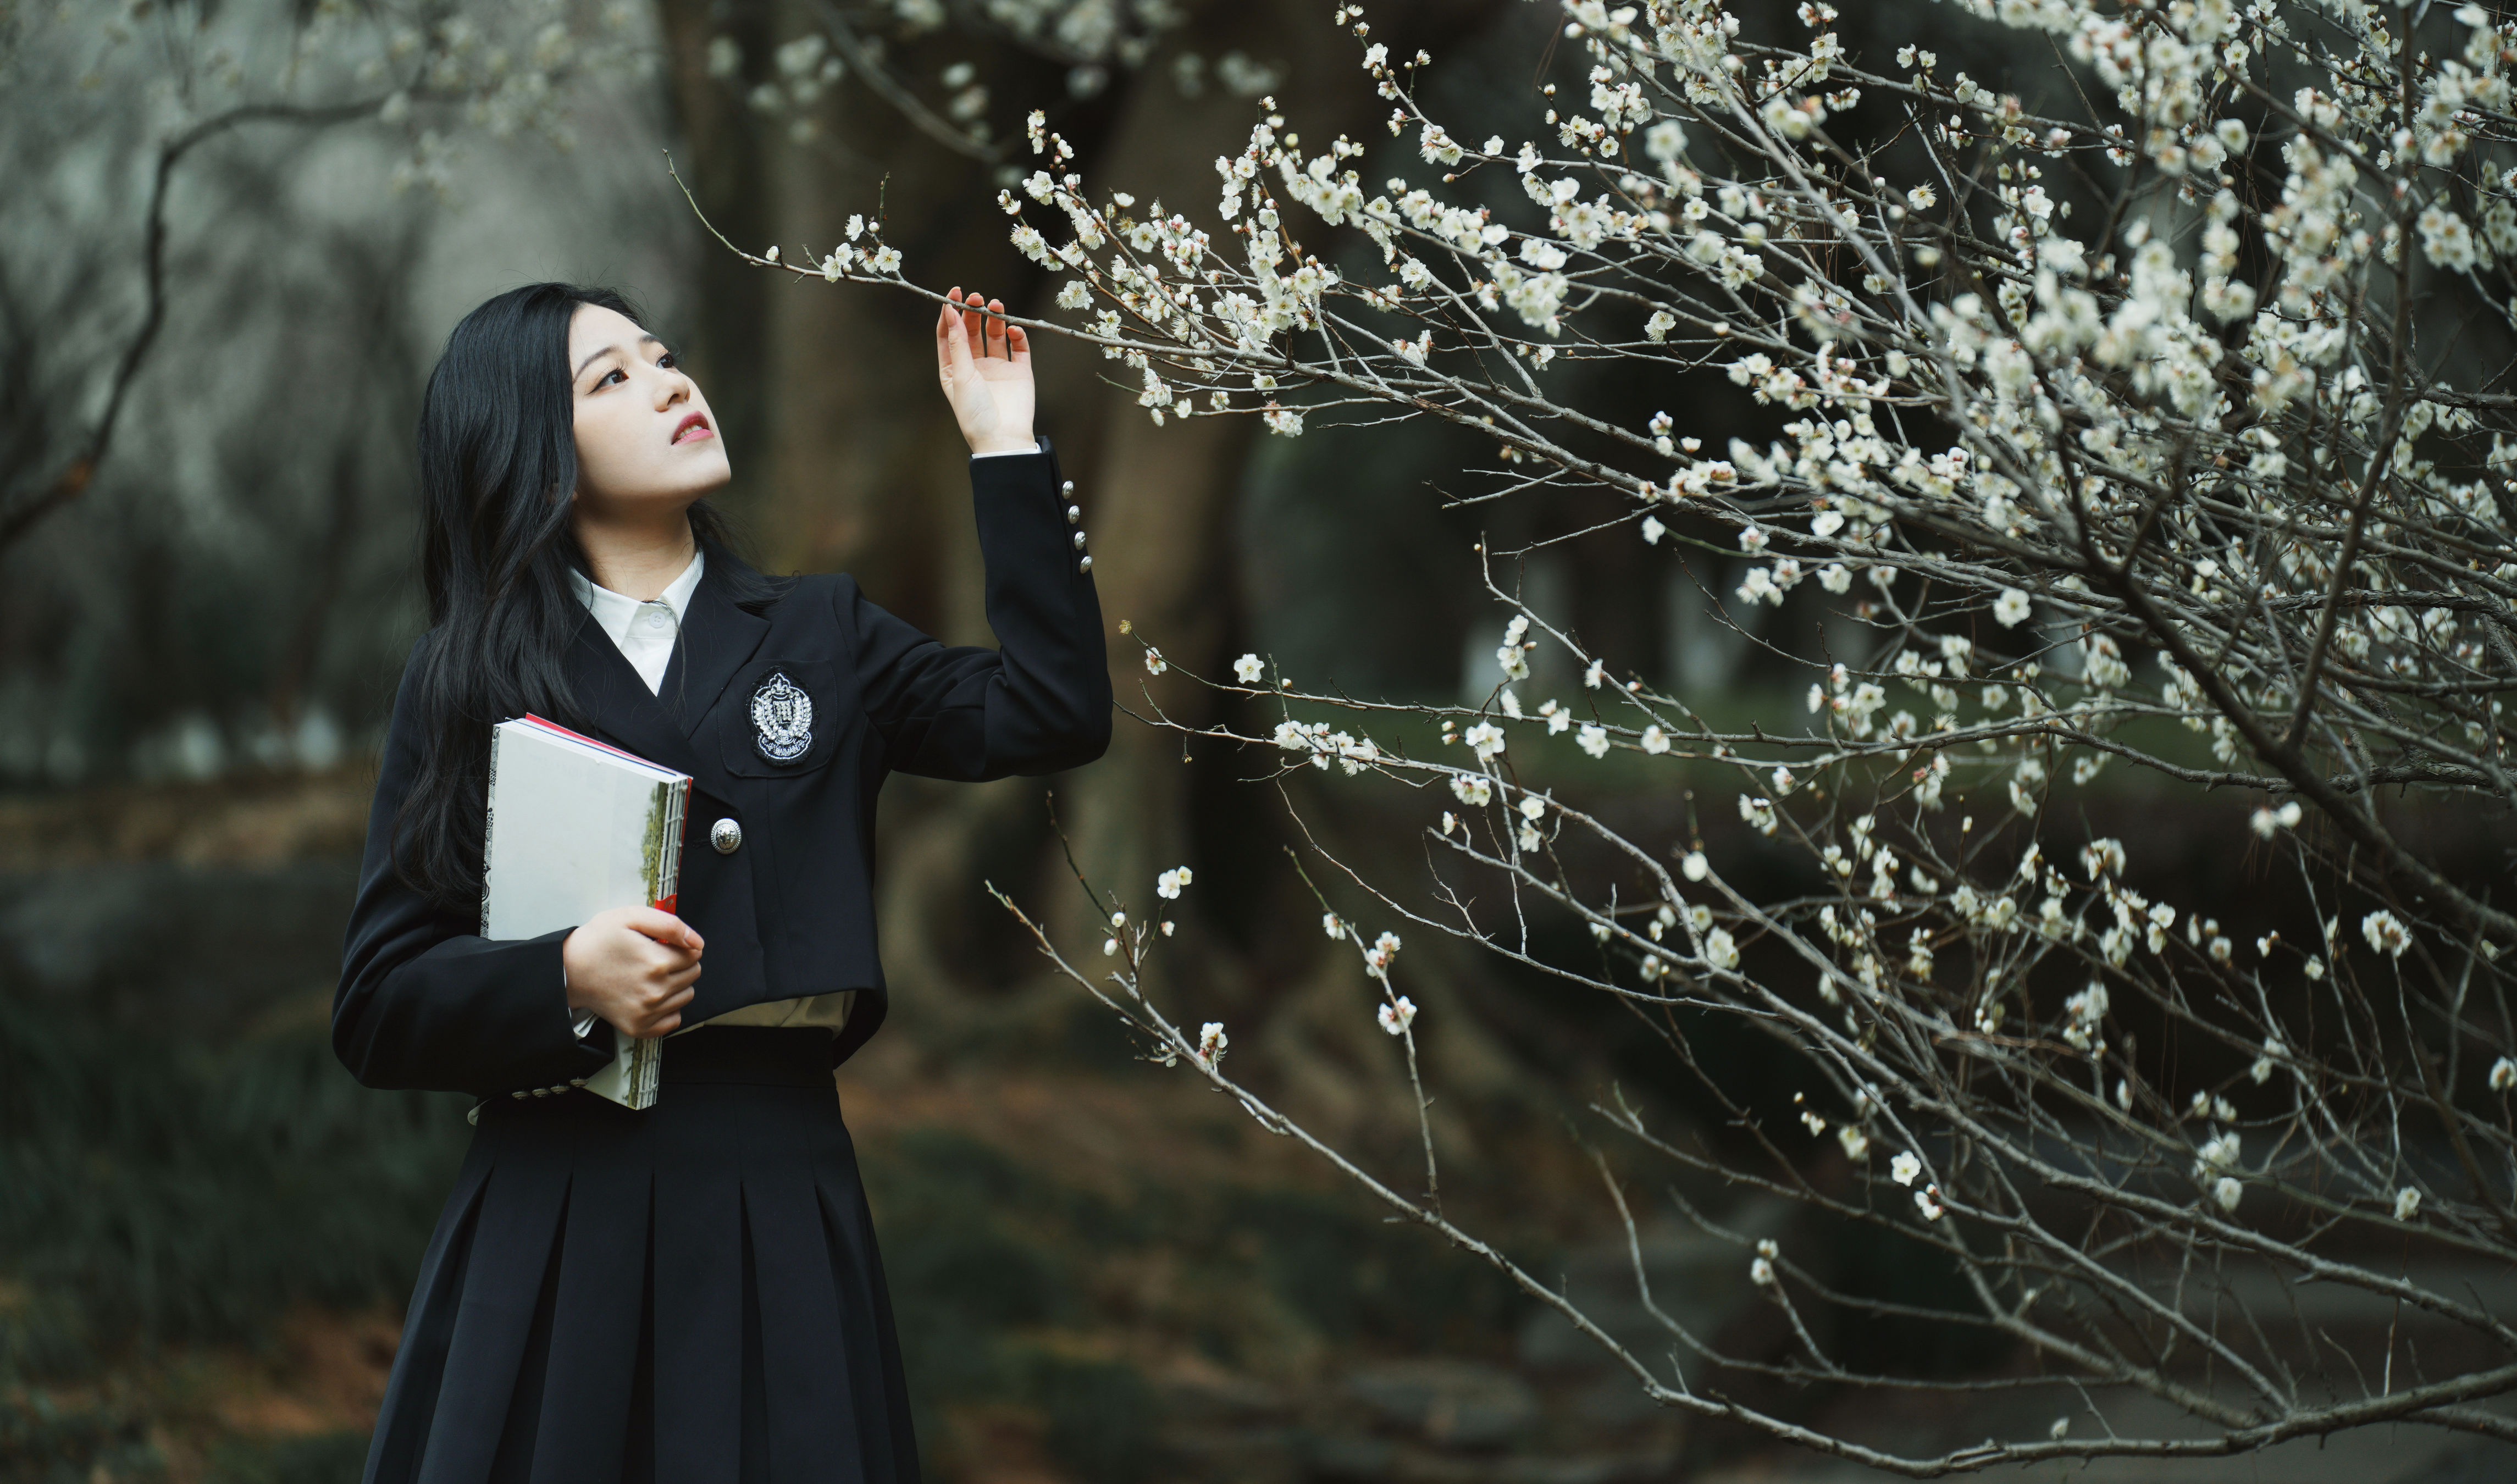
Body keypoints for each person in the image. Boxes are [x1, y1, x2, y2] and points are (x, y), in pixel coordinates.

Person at [335, 281, 1110, 1484]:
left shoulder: (823, 631)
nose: (672, 383)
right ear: (534, 456)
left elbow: (1050, 712)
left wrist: (1004, 444)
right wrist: (565, 979)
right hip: (555, 1195)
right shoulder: (465, 682)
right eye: (613, 379)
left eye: (665, 357)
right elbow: (378, 1002)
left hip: (777, 1180)